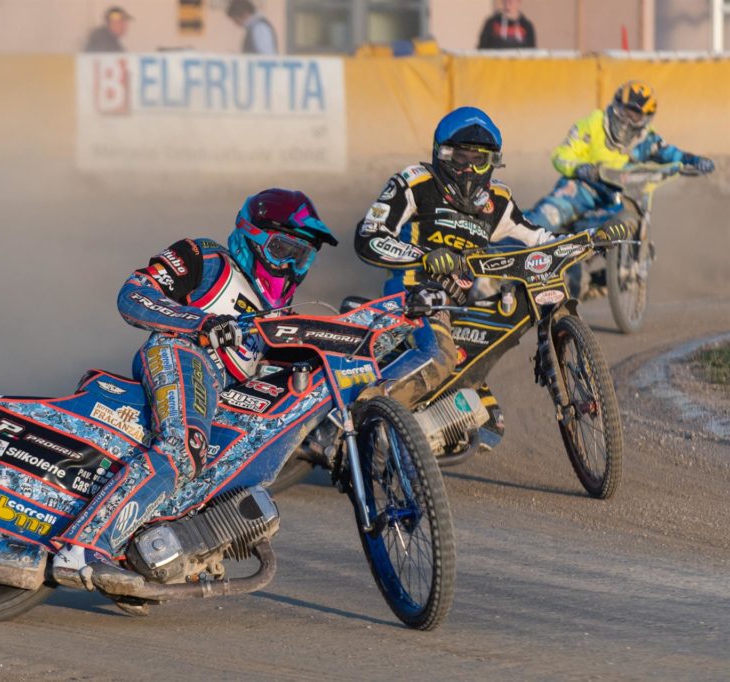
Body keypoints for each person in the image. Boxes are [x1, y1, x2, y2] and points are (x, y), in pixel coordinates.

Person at [53, 189, 337, 586]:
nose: (290, 266)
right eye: (283, 249)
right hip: (182, 352)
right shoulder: (206, 259)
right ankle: (82, 549)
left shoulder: (278, 317)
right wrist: (199, 323)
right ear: (252, 236)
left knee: (223, 463)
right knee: (182, 449)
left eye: (302, 257)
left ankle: (149, 554)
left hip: (218, 393)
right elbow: (133, 295)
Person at [354, 106, 627, 408]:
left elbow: (540, 238)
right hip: (413, 297)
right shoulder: (415, 182)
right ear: (442, 154)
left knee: (484, 414)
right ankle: (363, 408)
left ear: (492, 162)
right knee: (440, 359)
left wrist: (591, 238)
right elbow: (370, 236)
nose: (469, 169)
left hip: (458, 308)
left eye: (478, 160)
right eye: (460, 158)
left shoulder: (497, 201)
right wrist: (424, 256)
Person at [526, 80, 715, 232]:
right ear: (616, 105)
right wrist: (579, 168)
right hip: (581, 190)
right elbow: (561, 155)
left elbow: (671, 154)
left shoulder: (646, 139)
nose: (627, 120)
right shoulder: (592, 125)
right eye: (626, 111)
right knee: (545, 217)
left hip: (620, 198)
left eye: (635, 115)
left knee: (631, 219)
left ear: (645, 119)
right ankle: (506, 250)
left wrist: (695, 161)